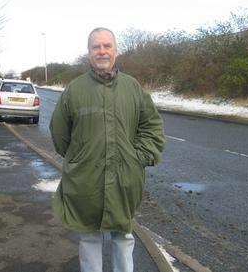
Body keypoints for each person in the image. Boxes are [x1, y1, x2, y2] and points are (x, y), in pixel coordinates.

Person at [50, 27, 166, 272]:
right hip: (86, 179)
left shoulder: (133, 87)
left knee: (123, 236)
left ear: (116, 50)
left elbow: (152, 125)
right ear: (89, 52)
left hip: (125, 178)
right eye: (96, 47)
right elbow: (60, 133)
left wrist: (138, 157)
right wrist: (78, 159)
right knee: (89, 236)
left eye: (107, 46)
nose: (101, 51)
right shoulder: (75, 89)